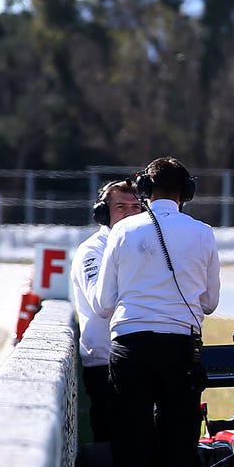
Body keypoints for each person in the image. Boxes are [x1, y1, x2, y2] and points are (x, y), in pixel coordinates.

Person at [90, 156, 221, 467]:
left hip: (130, 346)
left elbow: (102, 303)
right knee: (178, 449)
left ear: (145, 190)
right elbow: (210, 302)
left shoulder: (123, 231)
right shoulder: (203, 233)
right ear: (187, 192)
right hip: (181, 349)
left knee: (132, 446)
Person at [70, 178, 142, 442]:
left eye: (136, 207)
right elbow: (102, 304)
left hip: (139, 359)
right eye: (121, 207)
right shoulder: (92, 251)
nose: (130, 213)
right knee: (112, 443)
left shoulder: (143, 247)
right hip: (105, 363)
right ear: (103, 213)